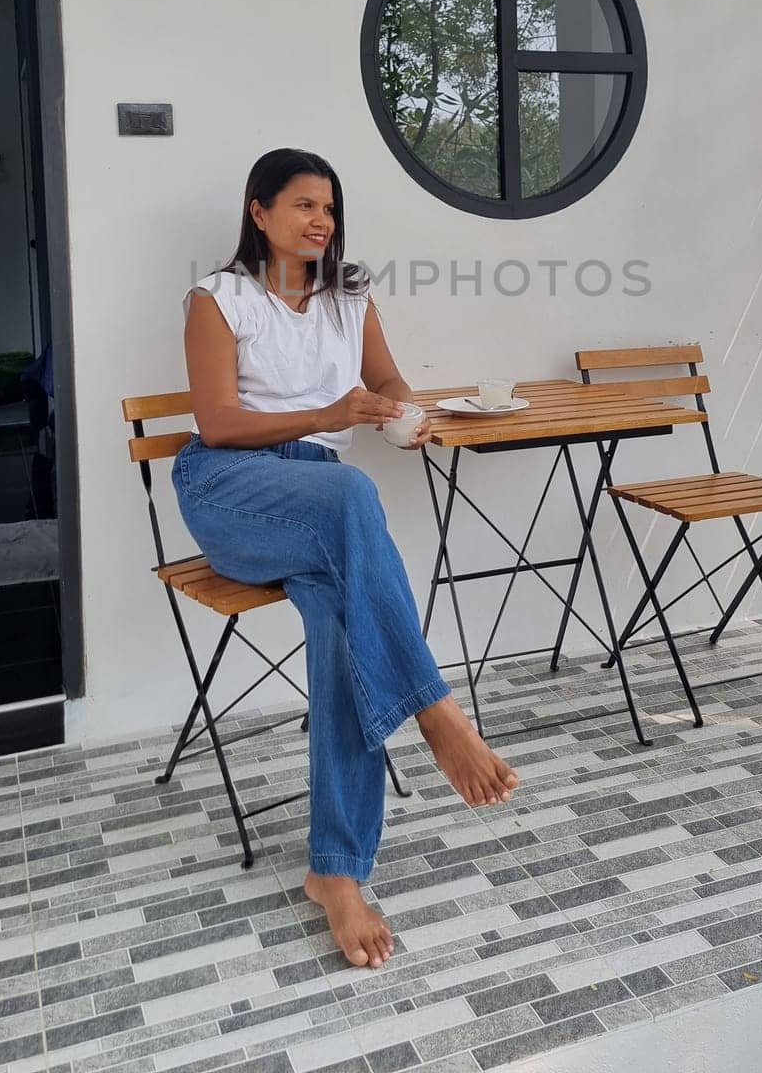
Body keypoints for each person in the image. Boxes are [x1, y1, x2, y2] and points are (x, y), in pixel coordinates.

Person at [172, 147, 519, 970]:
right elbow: (217, 424)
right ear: (257, 212)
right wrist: (330, 411)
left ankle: (335, 873)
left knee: (337, 624)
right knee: (352, 496)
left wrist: (410, 415)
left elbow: (389, 385)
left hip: (322, 509)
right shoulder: (216, 299)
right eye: (300, 205)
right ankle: (436, 713)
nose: (319, 220)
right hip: (231, 494)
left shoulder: (348, 297)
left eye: (327, 206)